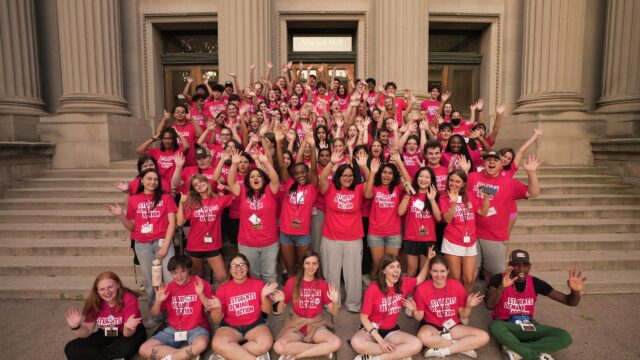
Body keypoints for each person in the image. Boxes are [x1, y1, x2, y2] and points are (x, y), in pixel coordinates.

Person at [486, 250, 585, 360]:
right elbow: (489, 305)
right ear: (510, 265)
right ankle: (535, 355)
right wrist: (502, 287)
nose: (521, 268)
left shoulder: (535, 282)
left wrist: (575, 292)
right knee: (495, 326)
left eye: (525, 265)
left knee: (564, 337)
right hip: (506, 325)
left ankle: (516, 350)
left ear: (530, 266)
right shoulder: (498, 279)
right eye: (517, 265)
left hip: (528, 325)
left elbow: (570, 301)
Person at [106, 168, 177, 318]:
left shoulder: (166, 198)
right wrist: (120, 216)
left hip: (163, 241)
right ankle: (156, 314)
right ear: (142, 181)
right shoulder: (133, 200)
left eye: (155, 179)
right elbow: (132, 227)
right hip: (143, 244)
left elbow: (172, 223)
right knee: (150, 283)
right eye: (149, 179)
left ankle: (173, 314)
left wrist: (164, 247)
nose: (153, 182)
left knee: (170, 279)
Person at [467, 151, 541, 281]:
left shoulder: (510, 183)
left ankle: (492, 298)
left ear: (501, 164)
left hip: (494, 236)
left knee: (494, 274)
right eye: (488, 159)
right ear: (483, 163)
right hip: (471, 233)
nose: (491, 162)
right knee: (471, 272)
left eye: (495, 160)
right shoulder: (472, 177)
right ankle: (467, 298)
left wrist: (531, 173)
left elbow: (533, 192)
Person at [350, 253, 433, 360]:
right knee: (356, 343)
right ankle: (399, 354)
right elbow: (364, 318)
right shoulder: (373, 289)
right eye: (391, 267)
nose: (396, 270)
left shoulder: (403, 283)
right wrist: (381, 342)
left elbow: (420, 278)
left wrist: (428, 260)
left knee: (417, 344)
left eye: (398, 267)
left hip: (391, 331)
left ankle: (375, 357)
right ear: (384, 271)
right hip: (372, 330)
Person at [139, 255, 218, 360]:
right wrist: (158, 301)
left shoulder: (200, 283)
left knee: (201, 345)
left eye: (182, 271)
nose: (179, 276)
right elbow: (154, 314)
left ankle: (176, 356)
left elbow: (210, 309)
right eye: (175, 273)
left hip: (197, 328)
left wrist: (201, 294)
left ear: (189, 270)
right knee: (144, 349)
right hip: (174, 329)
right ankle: (185, 356)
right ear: (170, 273)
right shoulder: (168, 287)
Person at [409, 255, 489, 358]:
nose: (439, 275)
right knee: (422, 337)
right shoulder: (422, 289)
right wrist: (414, 309)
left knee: (484, 337)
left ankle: (443, 350)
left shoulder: (456, 285)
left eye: (442, 271)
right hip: (431, 326)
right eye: (435, 271)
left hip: (453, 326)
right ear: (429, 271)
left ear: (448, 271)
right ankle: (463, 346)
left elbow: (463, 314)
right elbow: (419, 317)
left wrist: (468, 306)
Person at [318, 150, 368, 313]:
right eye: (344, 175)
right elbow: (322, 178)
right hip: (331, 237)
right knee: (331, 272)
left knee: (353, 273)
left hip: (353, 238)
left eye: (350, 175)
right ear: (338, 177)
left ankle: (353, 303)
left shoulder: (359, 189)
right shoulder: (330, 188)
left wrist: (364, 167)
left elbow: (370, 184)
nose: (348, 178)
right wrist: (331, 163)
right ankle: (333, 301)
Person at [273, 251, 342, 360]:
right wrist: (281, 301)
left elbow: (334, 312)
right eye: (307, 263)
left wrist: (334, 302)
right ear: (302, 265)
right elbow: (280, 310)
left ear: (318, 265)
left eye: (314, 263)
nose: (311, 267)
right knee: (278, 346)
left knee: (336, 342)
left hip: (316, 323)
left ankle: (297, 355)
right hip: (296, 324)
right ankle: (321, 349)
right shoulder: (292, 282)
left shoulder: (322, 284)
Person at [227, 148, 280, 284]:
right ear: (248, 181)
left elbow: (275, 179)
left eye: (259, 176)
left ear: (263, 179)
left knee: (270, 274)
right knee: (253, 275)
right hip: (247, 243)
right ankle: (259, 303)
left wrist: (265, 162)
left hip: (269, 243)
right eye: (252, 176)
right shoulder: (243, 192)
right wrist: (234, 164)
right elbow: (231, 182)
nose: (255, 178)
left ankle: (272, 302)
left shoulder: (270, 191)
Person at [64, 272, 146, 360]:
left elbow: (127, 334)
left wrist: (128, 327)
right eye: (102, 289)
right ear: (97, 291)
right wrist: (76, 327)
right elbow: (87, 332)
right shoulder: (95, 302)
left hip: (129, 333)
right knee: (71, 347)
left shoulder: (129, 298)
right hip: (108, 332)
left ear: (118, 285)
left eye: (110, 287)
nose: (107, 292)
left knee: (123, 350)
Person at [211, 253, 277, 360]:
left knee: (265, 344)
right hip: (230, 327)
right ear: (230, 269)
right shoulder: (222, 289)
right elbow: (216, 319)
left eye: (242, 265)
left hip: (255, 325)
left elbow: (267, 310)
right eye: (234, 265)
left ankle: (228, 354)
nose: (239, 268)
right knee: (217, 344)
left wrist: (264, 296)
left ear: (247, 267)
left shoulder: (258, 284)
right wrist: (217, 309)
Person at [275, 126, 318, 278]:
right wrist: (279, 143)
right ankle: (293, 294)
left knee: (303, 267)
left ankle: (303, 292)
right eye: (297, 173)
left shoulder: (312, 187)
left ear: (307, 173)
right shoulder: (289, 184)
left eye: (303, 172)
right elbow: (281, 166)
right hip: (286, 233)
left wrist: (312, 146)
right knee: (291, 267)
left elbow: (314, 170)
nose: (300, 175)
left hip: (303, 234)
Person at [439, 169, 489, 293]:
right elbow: (447, 219)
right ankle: (455, 302)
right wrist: (453, 203)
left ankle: (465, 302)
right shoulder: (444, 197)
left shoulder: (470, 195)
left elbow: (483, 212)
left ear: (463, 184)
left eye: (457, 181)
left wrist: (487, 198)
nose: (454, 184)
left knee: (469, 278)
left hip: (470, 240)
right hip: (452, 241)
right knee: (455, 277)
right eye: (451, 180)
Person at [177, 174, 232, 286]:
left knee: (222, 276)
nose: (199, 185)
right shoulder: (191, 203)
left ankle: (218, 299)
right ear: (194, 189)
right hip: (195, 244)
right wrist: (181, 203)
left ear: (207, 182)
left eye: (201, 182)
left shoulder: (219, 199)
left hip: (213, 244)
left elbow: (238, 194)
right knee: (198, 276)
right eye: (195, 185)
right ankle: (202, 301)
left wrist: (225, 187)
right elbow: (179, 222)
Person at [398, 167, 442, 277]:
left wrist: (432, 200)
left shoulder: (435, 195)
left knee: (424, 271)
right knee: (411, 271)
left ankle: (422, 294)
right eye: (421, 176)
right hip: (411, 237)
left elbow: (438, 218)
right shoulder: (411, 194)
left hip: (428, 238)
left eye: (427, 177)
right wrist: (408, 195)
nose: (423, 179)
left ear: (431, 180)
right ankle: (410, 294)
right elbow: (400, 212)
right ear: (416, 178)